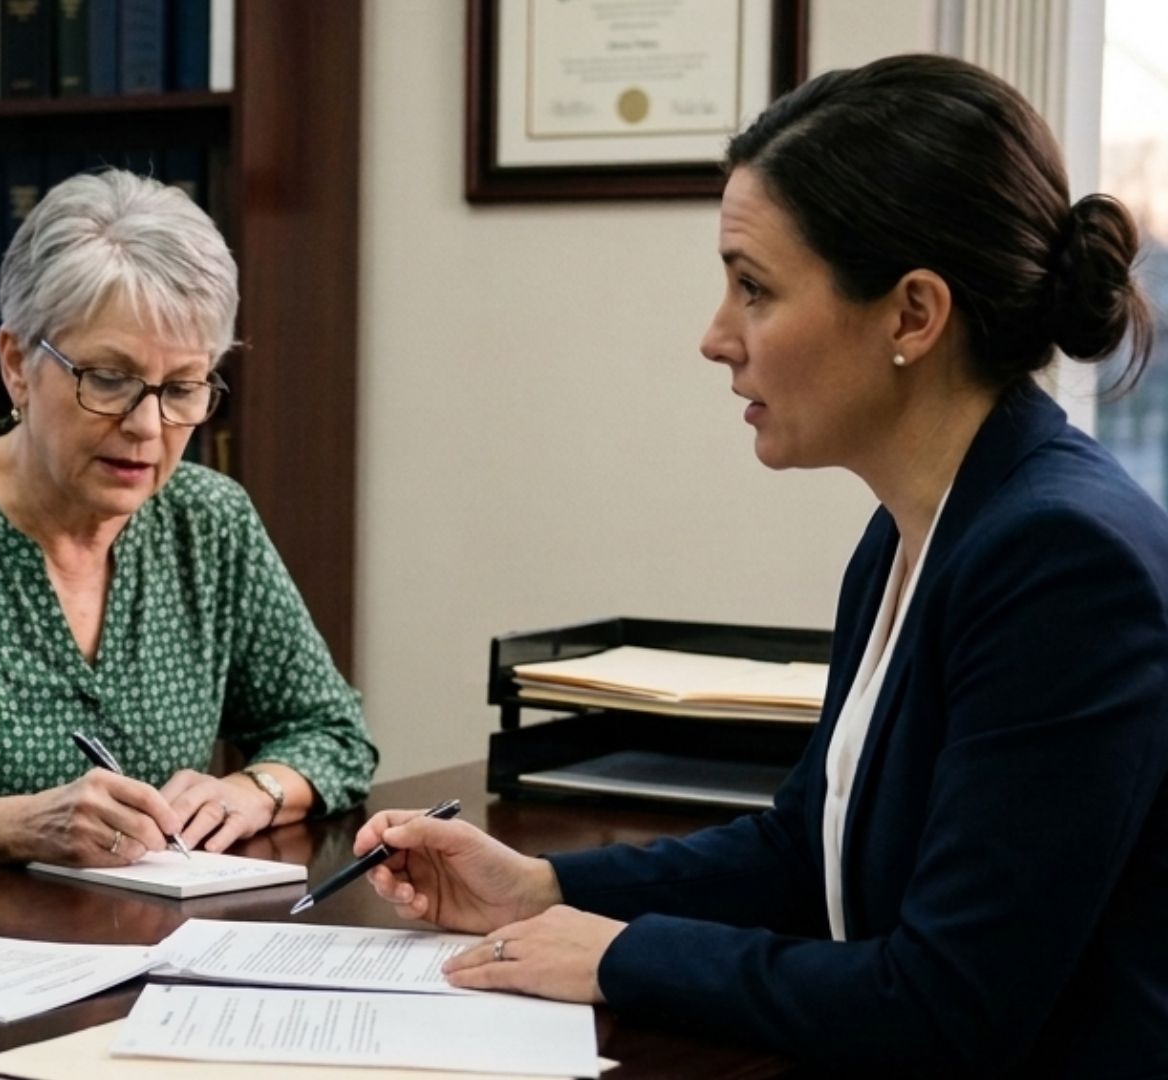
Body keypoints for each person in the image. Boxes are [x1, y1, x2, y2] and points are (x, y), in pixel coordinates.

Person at [358, 54, 1167, 1076]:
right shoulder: (918, 528)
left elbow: (947, 1004)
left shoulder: (1060, 562)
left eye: (754, 287)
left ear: (913, 315)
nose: (715, 337)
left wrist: (620, 957)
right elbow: (803, 851)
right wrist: (544, 890)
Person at [0, 169, 377, 867]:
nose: (146, 426)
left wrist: (255, 791)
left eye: (182, 388)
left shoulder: (209, 522)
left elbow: (332, 731)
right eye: (109, 379)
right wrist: (13, 825)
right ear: (17, 363)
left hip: (162, 925)